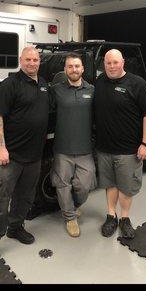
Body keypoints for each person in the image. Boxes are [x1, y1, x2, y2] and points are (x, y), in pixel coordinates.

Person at [0, 46, 49, 270]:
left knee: (25, 198)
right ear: (21, 60)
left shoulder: (44, 84)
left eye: (35, 59)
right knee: (0, 202)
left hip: (34, 157)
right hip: (10, 157)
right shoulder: (10, 84)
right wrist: (1, 148)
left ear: (40, 61)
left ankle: (15, 227)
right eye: (27, 59)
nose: (31, 63)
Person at [94, 49, 146, 239]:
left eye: (115, 62)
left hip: (129, 149)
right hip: (104, 148)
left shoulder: (137, 83)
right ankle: (111, 215)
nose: (112, 66)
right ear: (104, 64)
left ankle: (125, 218)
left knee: (126, 187)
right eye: (108, 63)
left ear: (123, 63)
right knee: (110, 184)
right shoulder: (100, 82)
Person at [50, 52, 96, 237]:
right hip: (62, 148)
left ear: (82, 69)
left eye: (77, 66)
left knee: (84, 185)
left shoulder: (92, 90)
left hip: (85, 148)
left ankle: (74, 206)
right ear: (65, 69)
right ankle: (70, 218)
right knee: (62, 184)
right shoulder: (56, 89)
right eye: (70, 66)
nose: (74, 69)